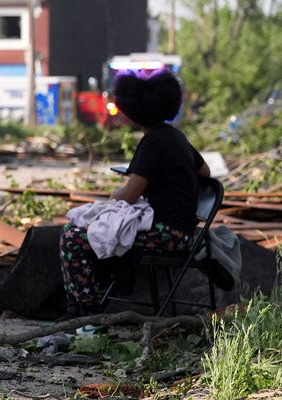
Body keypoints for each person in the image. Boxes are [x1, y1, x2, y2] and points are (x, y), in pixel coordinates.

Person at [59, 69, 210, 318]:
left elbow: (129, 195)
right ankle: (109, 287)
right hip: (183, 231)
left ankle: (84, 311)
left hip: (167, 235)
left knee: (73, 237)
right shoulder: (177, 137)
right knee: (106, 231)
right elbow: (205, 172)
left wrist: (114, 193)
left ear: (133, 111)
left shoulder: (153, 143)